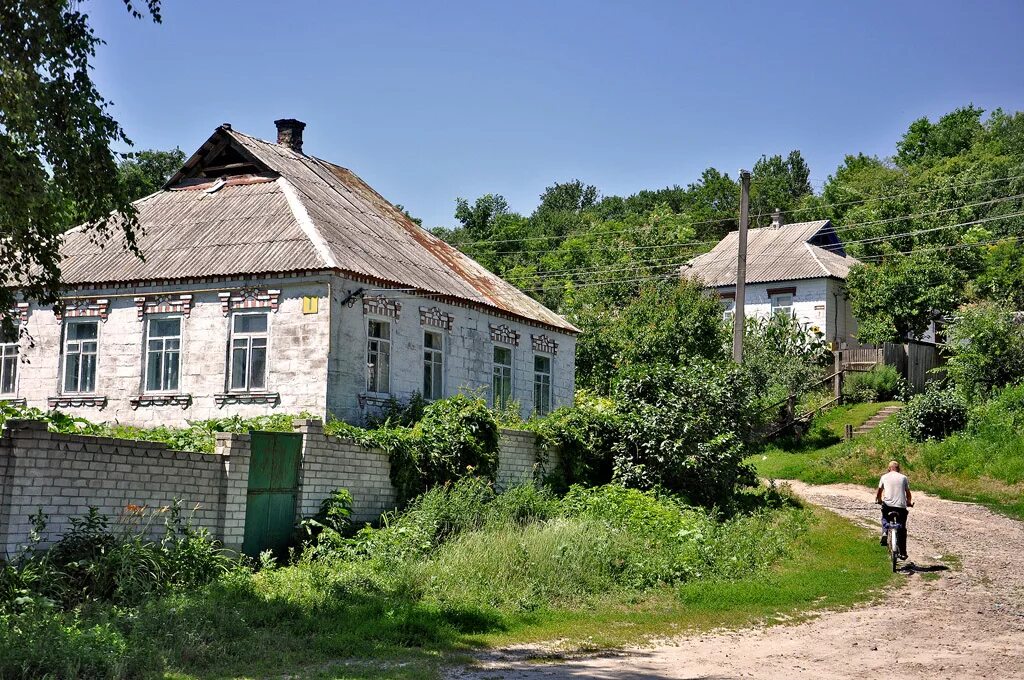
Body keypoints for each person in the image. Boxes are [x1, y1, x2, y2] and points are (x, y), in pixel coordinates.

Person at [876, 460, 912, 559]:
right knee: (902, 528)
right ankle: (903, 552)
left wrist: (879, 500)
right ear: (898, 469)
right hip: (900, 506)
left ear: (889, 469)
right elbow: (908, 493)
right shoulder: (903, 477)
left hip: (888, 505)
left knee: (885, 517)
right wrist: (908, 502)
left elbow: (879, 491)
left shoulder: (884, 477)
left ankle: (885, 531)